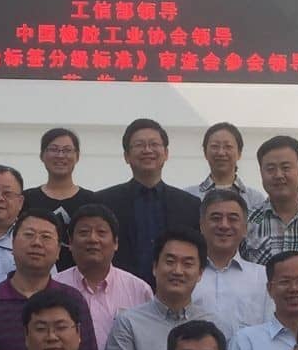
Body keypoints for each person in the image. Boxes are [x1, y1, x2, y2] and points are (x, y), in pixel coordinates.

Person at [0, 214, 99, 350]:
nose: (36, 243)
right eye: (29, 235)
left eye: (46, 237)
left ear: (58, 251)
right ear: (12, 245)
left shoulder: (73, 299)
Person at [103, 229, 224, 350]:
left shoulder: (214, 325)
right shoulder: (128, 324)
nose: (177, 271)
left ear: (200, 273)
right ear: (155, 267)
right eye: (170, 261)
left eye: (187, 264)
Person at [100, 117, 202, 284]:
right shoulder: (104, 202)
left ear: (166, 153)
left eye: (154, 144)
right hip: (119, 291)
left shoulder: (190, 205)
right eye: (139, 145)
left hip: (173, 291)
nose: (147, 150)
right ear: (126, 156)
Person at [53, 201, 154, 350]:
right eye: (84, 232)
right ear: (70, 243)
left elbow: (148, 343)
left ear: (116, 243)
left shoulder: (139, 290)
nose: (93, 239)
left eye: (101, 232)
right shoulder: (53, 286)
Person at [192, 186, 271, 334]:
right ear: (201, 225)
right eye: (216, 218)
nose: (224, 225)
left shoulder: (263, 277)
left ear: (245, 228)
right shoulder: (186, 275)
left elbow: (270, 331)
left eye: (233, 219)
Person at [245, 136, 298, 261]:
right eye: (270, 169)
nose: (278, 175)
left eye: (286, 167)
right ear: (261, 172)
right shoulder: (247, 221)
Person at [21, 125, 101, 234]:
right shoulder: (27, 199)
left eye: (67, 150)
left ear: (77, 156)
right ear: (42, 155)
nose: (60, 155)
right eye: (54, 149)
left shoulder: (92, 200)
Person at [195, 119, 268, 211]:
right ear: (205, 152)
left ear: (239, 153)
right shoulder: (190, 196)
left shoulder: (255, 200)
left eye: (228, 146)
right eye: (215, 146)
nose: (221, 153)